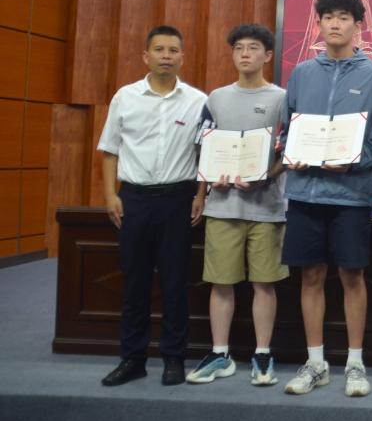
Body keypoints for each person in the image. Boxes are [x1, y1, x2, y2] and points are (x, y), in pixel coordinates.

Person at [280, 0, 372, 397]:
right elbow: (287, 128)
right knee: (310, 275)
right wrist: (290, 152)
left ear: (357, 25)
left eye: (343, 17)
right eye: (327, 17)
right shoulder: (302, 73)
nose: (334, 24)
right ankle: (315, 363)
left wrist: (356, 160)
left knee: (352, 275)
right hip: (306, 194)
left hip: (351, 194)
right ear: (319, 23)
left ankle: (355, 364)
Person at [97, 26, 207, 387]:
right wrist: (110, 195)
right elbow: (109, 150)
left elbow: (205, 153)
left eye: (173, 50)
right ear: (146, 56)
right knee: (135, 282)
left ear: (182, 57)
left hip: (178, 200)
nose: (166, 56)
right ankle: (133, 358)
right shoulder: (125, 97)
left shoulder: (197, 101)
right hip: (135, 200)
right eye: (159, 49)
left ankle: (174, 357)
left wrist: (201, 195)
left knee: (175, 282)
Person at [185, 24, 288, 387]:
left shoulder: (282, 99)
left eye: (253, 47)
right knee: (221, 282)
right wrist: (201, 194)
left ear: (268, 55)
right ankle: (220, 353)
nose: (245, 53)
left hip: (266, 206)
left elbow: (289, 151)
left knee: (264, 283)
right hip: (222, 205)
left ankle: (263, 353)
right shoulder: (216, 98)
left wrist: (265, 177)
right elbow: (204, 148)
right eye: (239, 47)